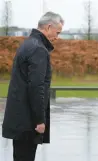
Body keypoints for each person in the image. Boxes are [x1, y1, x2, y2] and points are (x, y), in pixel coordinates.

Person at [1, 11, 64, 161]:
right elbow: (36, 87)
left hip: (19, 117)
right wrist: (40, 120)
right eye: (57, 32)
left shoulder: (28, 44)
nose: (57, 37)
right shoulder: (38, 49)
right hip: (27, 120)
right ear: (49, 27)